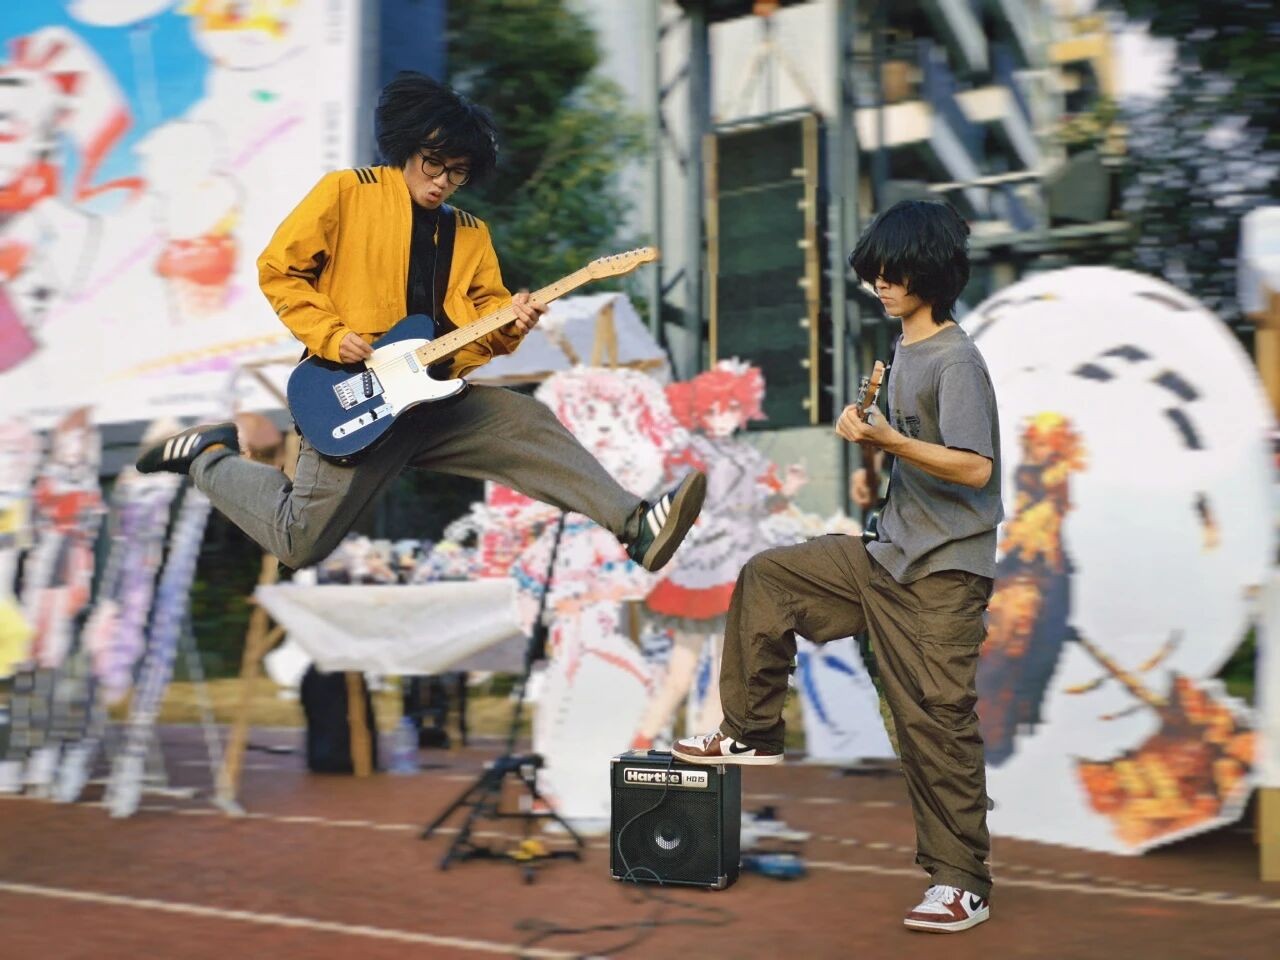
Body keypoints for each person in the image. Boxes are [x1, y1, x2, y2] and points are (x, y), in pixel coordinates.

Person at [135, 72, 704, 575]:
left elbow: (487, 328)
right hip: (354, 395)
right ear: (408, 148)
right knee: (298, 542)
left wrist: (515, 322)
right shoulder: (345, 193)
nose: (442, 181)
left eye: (457, 173)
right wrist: (331, 335)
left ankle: (636, 525)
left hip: (432, 397)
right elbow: (279, 271)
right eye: (434, 163)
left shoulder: (471, 233)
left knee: (525, 420)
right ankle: (208, 455)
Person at [673, 199, 1002, 934]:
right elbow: (904, 453)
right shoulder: (899, 352)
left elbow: (975, 467)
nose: (880, 283)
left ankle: (962, 884)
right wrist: (870, 463)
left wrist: (890, 441)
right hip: (885, 556)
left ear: (930, 272)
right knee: (770, 576)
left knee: (935, 726)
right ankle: (751, 729)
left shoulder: (956, 360)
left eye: (893, 271)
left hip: (944, 574)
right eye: (873, 271)